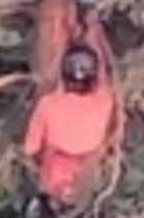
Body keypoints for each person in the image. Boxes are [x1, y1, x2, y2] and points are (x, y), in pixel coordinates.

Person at [23, 31, 116, 208]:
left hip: (67, 162)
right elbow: (102, 77)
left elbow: (30, 146)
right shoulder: (104, 101)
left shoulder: (48, 104)